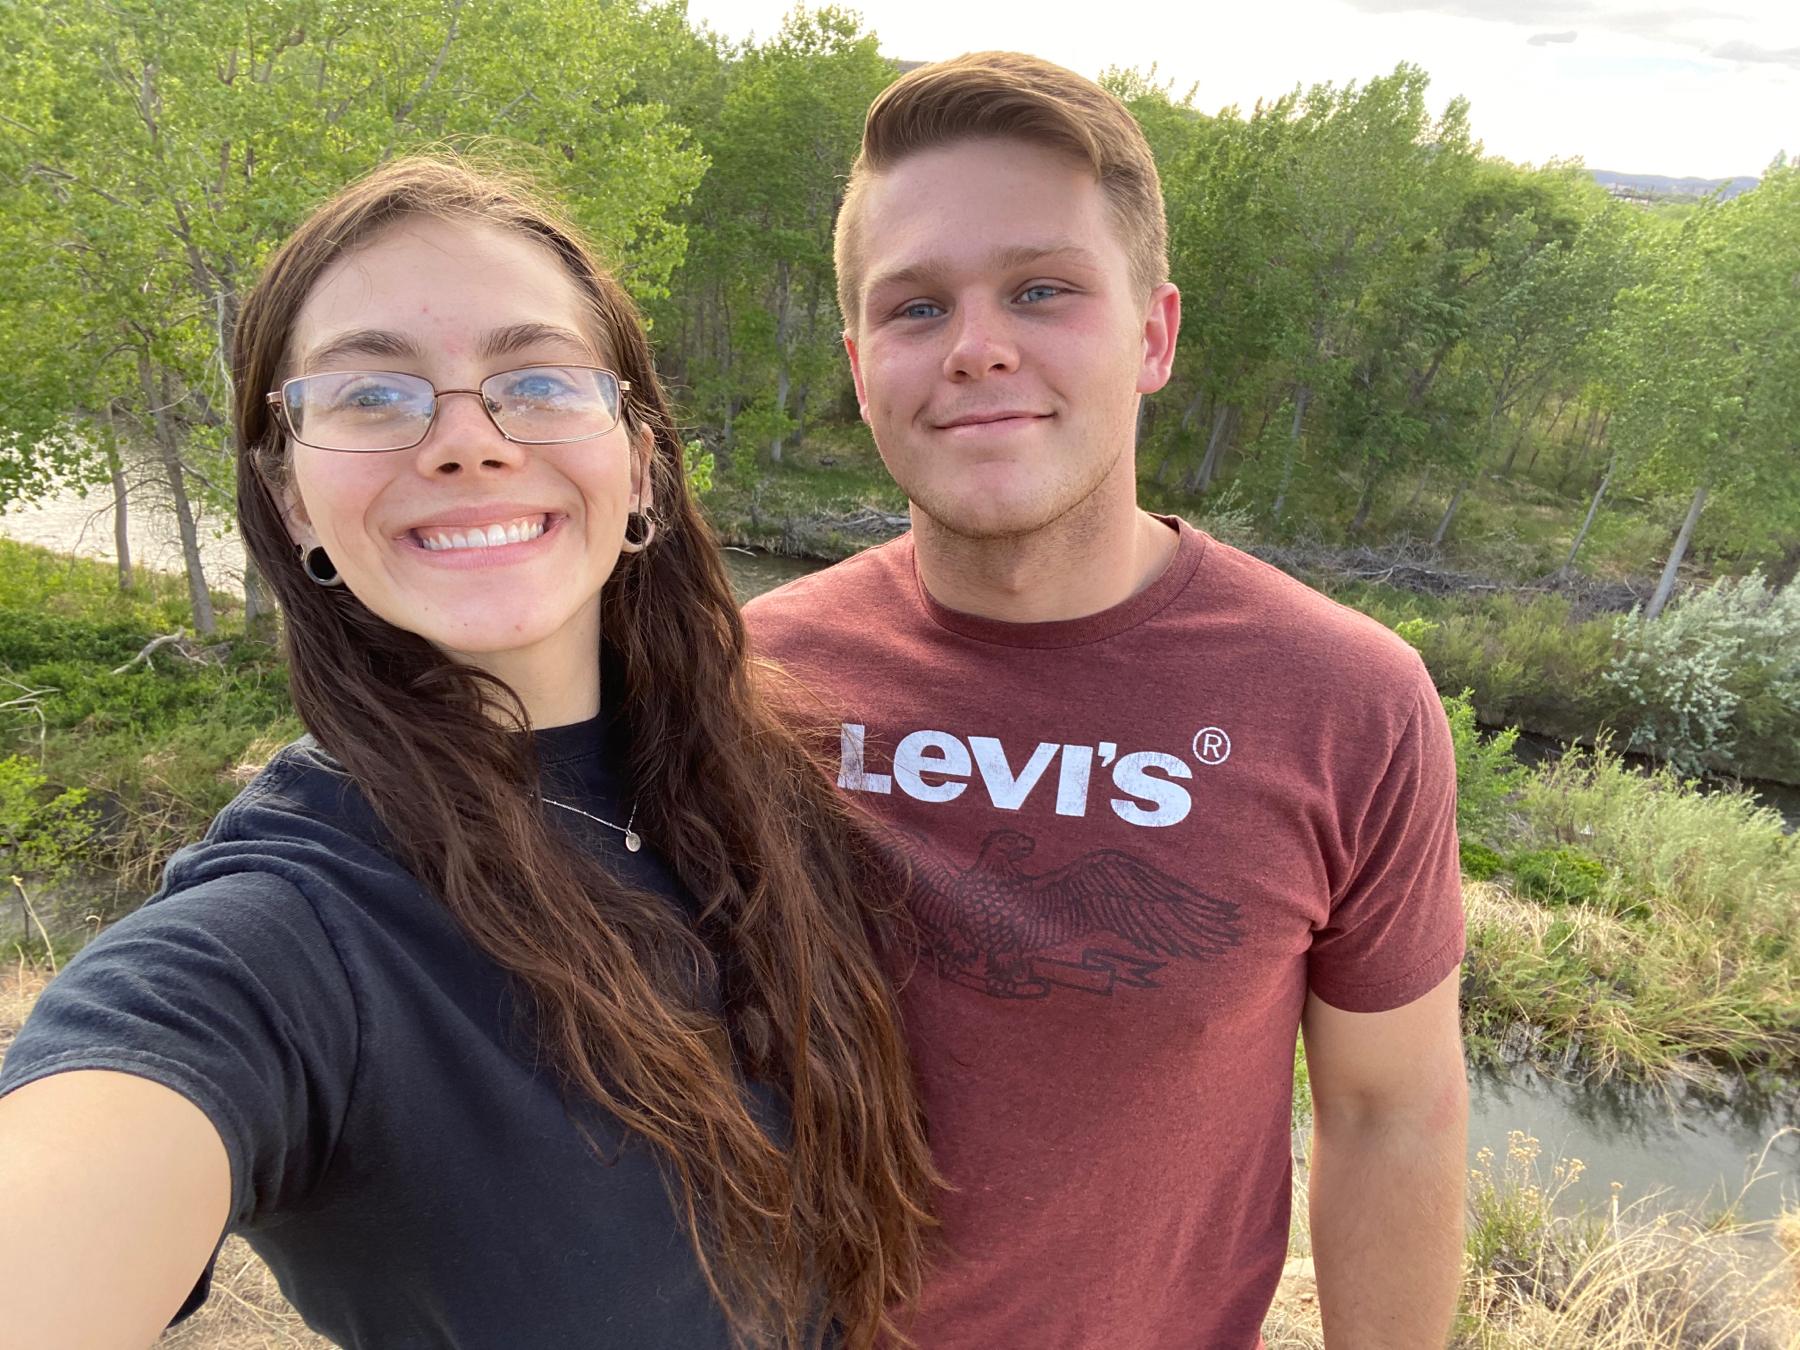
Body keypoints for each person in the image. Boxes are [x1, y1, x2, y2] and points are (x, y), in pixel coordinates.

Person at [0, 156, 938, 1350]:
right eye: (371, 395)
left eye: (537, 380)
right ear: (292, 501)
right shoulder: (284, 941)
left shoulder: (770, 776)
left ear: (639, 462)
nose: (467, 442)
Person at [745, 52, 1469, 1349]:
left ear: (1154, 335)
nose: (976, 346)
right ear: (859, 366)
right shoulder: (742, 676)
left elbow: (1389, 1113)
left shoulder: (1346, 703)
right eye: (915, 306)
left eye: (1042, 288)